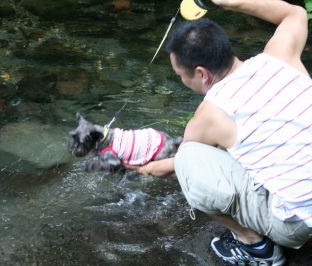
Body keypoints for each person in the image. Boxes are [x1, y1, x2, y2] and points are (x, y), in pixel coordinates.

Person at [124, 0, 312, 265]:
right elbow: (295, 12)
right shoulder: (280, 56)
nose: (182, 80)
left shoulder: (209, 116)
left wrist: (145, 168)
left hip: (297, 224)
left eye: (180, 75)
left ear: (202, 74)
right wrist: (228, 1)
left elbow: (181, 165)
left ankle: (254, 246)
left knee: (189, 154)